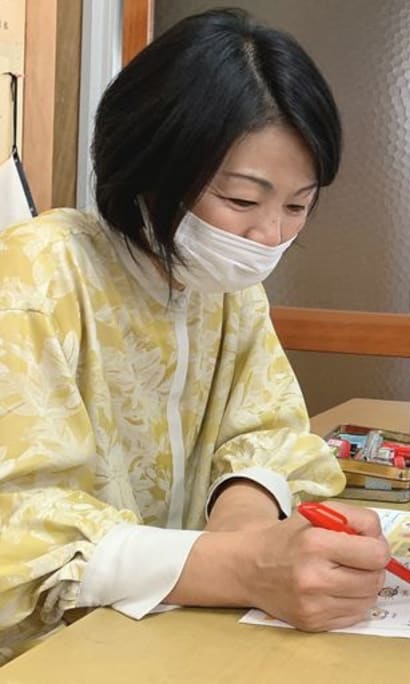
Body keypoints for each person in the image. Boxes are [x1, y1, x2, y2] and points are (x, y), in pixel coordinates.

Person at [0, 10, 388, 664]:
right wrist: (236, 566)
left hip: (171, 644)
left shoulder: (227, 292)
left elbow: (267, 433)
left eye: (297, 205)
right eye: (242, 201)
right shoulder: (36, 275)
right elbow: (19, 525)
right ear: (154, 163)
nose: (270, 235)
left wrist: (245, 522)